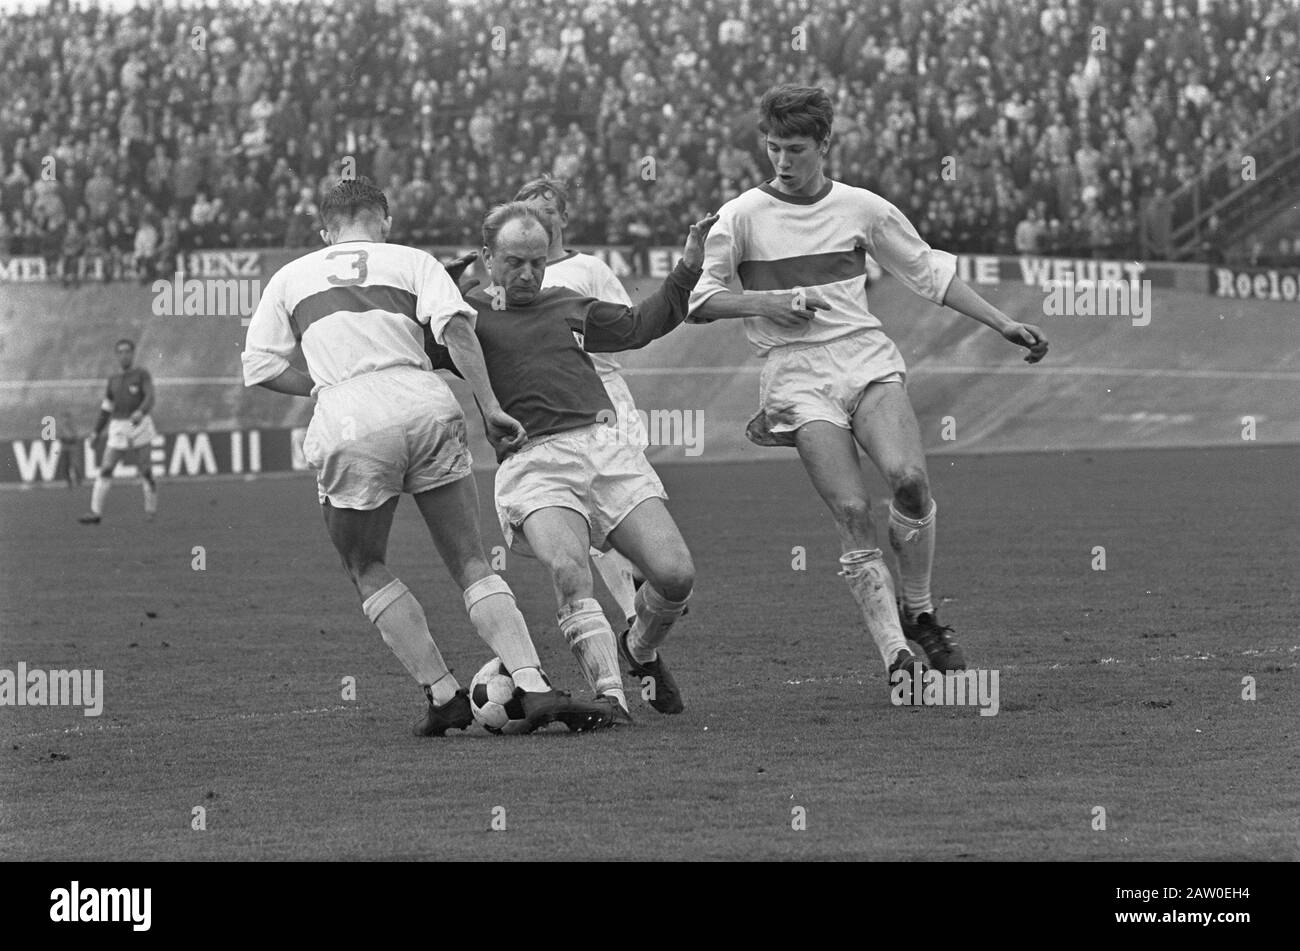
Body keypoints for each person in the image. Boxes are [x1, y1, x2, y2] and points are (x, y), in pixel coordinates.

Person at [688, 85, 1050, 692]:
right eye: (773, 147)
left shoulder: (861, 207)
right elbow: (702, 300)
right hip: (794, 374)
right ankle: (895, 658)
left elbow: (929, 272)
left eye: (796, 148)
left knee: (909, 481)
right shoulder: (741, 216)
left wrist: (1004, 323)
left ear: (825, 144)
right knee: (853, 510)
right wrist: (767, 302)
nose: (781, 160)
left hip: (865, 359)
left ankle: (921, 609)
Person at [241, 179, 611, 737]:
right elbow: (457, 327)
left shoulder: (291, 276)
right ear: (383, 221)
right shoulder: (413, 260)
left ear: (326, 231)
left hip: (349, 417)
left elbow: (260, 367)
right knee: (469, 561)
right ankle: (533, 686)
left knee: (365, 565)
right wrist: (488, 407)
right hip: (425, 402)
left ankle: (444, 695)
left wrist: (322, 386)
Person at [427, 203, 717, 723]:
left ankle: (640, 650)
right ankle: (610, 698)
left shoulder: (566, 303)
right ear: (488, 258)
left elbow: (638, 326)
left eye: (538, 262)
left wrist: (688, 266)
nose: (529, 274)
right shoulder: (466, 316)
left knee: (675, 576)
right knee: (568, 568)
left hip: (604, 451)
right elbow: (422, 349)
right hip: (533, 461)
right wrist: (432, 300)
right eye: (515, 262)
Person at [512, 176, 645, 632]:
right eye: (528, 212)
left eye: (548, 211)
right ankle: (634, 613)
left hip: (605, 396)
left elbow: (625, 329)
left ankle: (646, 572)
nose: (539, 220)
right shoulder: (511, 279)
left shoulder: (589, 269)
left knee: (626, 501)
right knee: (589, 520)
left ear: (564, 218)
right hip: (553, 408)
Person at [79, 339, 159, 524]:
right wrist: (96, 432)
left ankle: (150, 511)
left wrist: (141, 411)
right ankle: (95, 513)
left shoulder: (141, 374)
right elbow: (106, 408)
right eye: (121, 352)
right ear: (117, 355)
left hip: (140, 425)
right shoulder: (113, 380)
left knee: (145, 470)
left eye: (128, 351)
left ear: (133, 353)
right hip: (118, 426)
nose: (124, 355)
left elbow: (150, 396)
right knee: (106, 468)